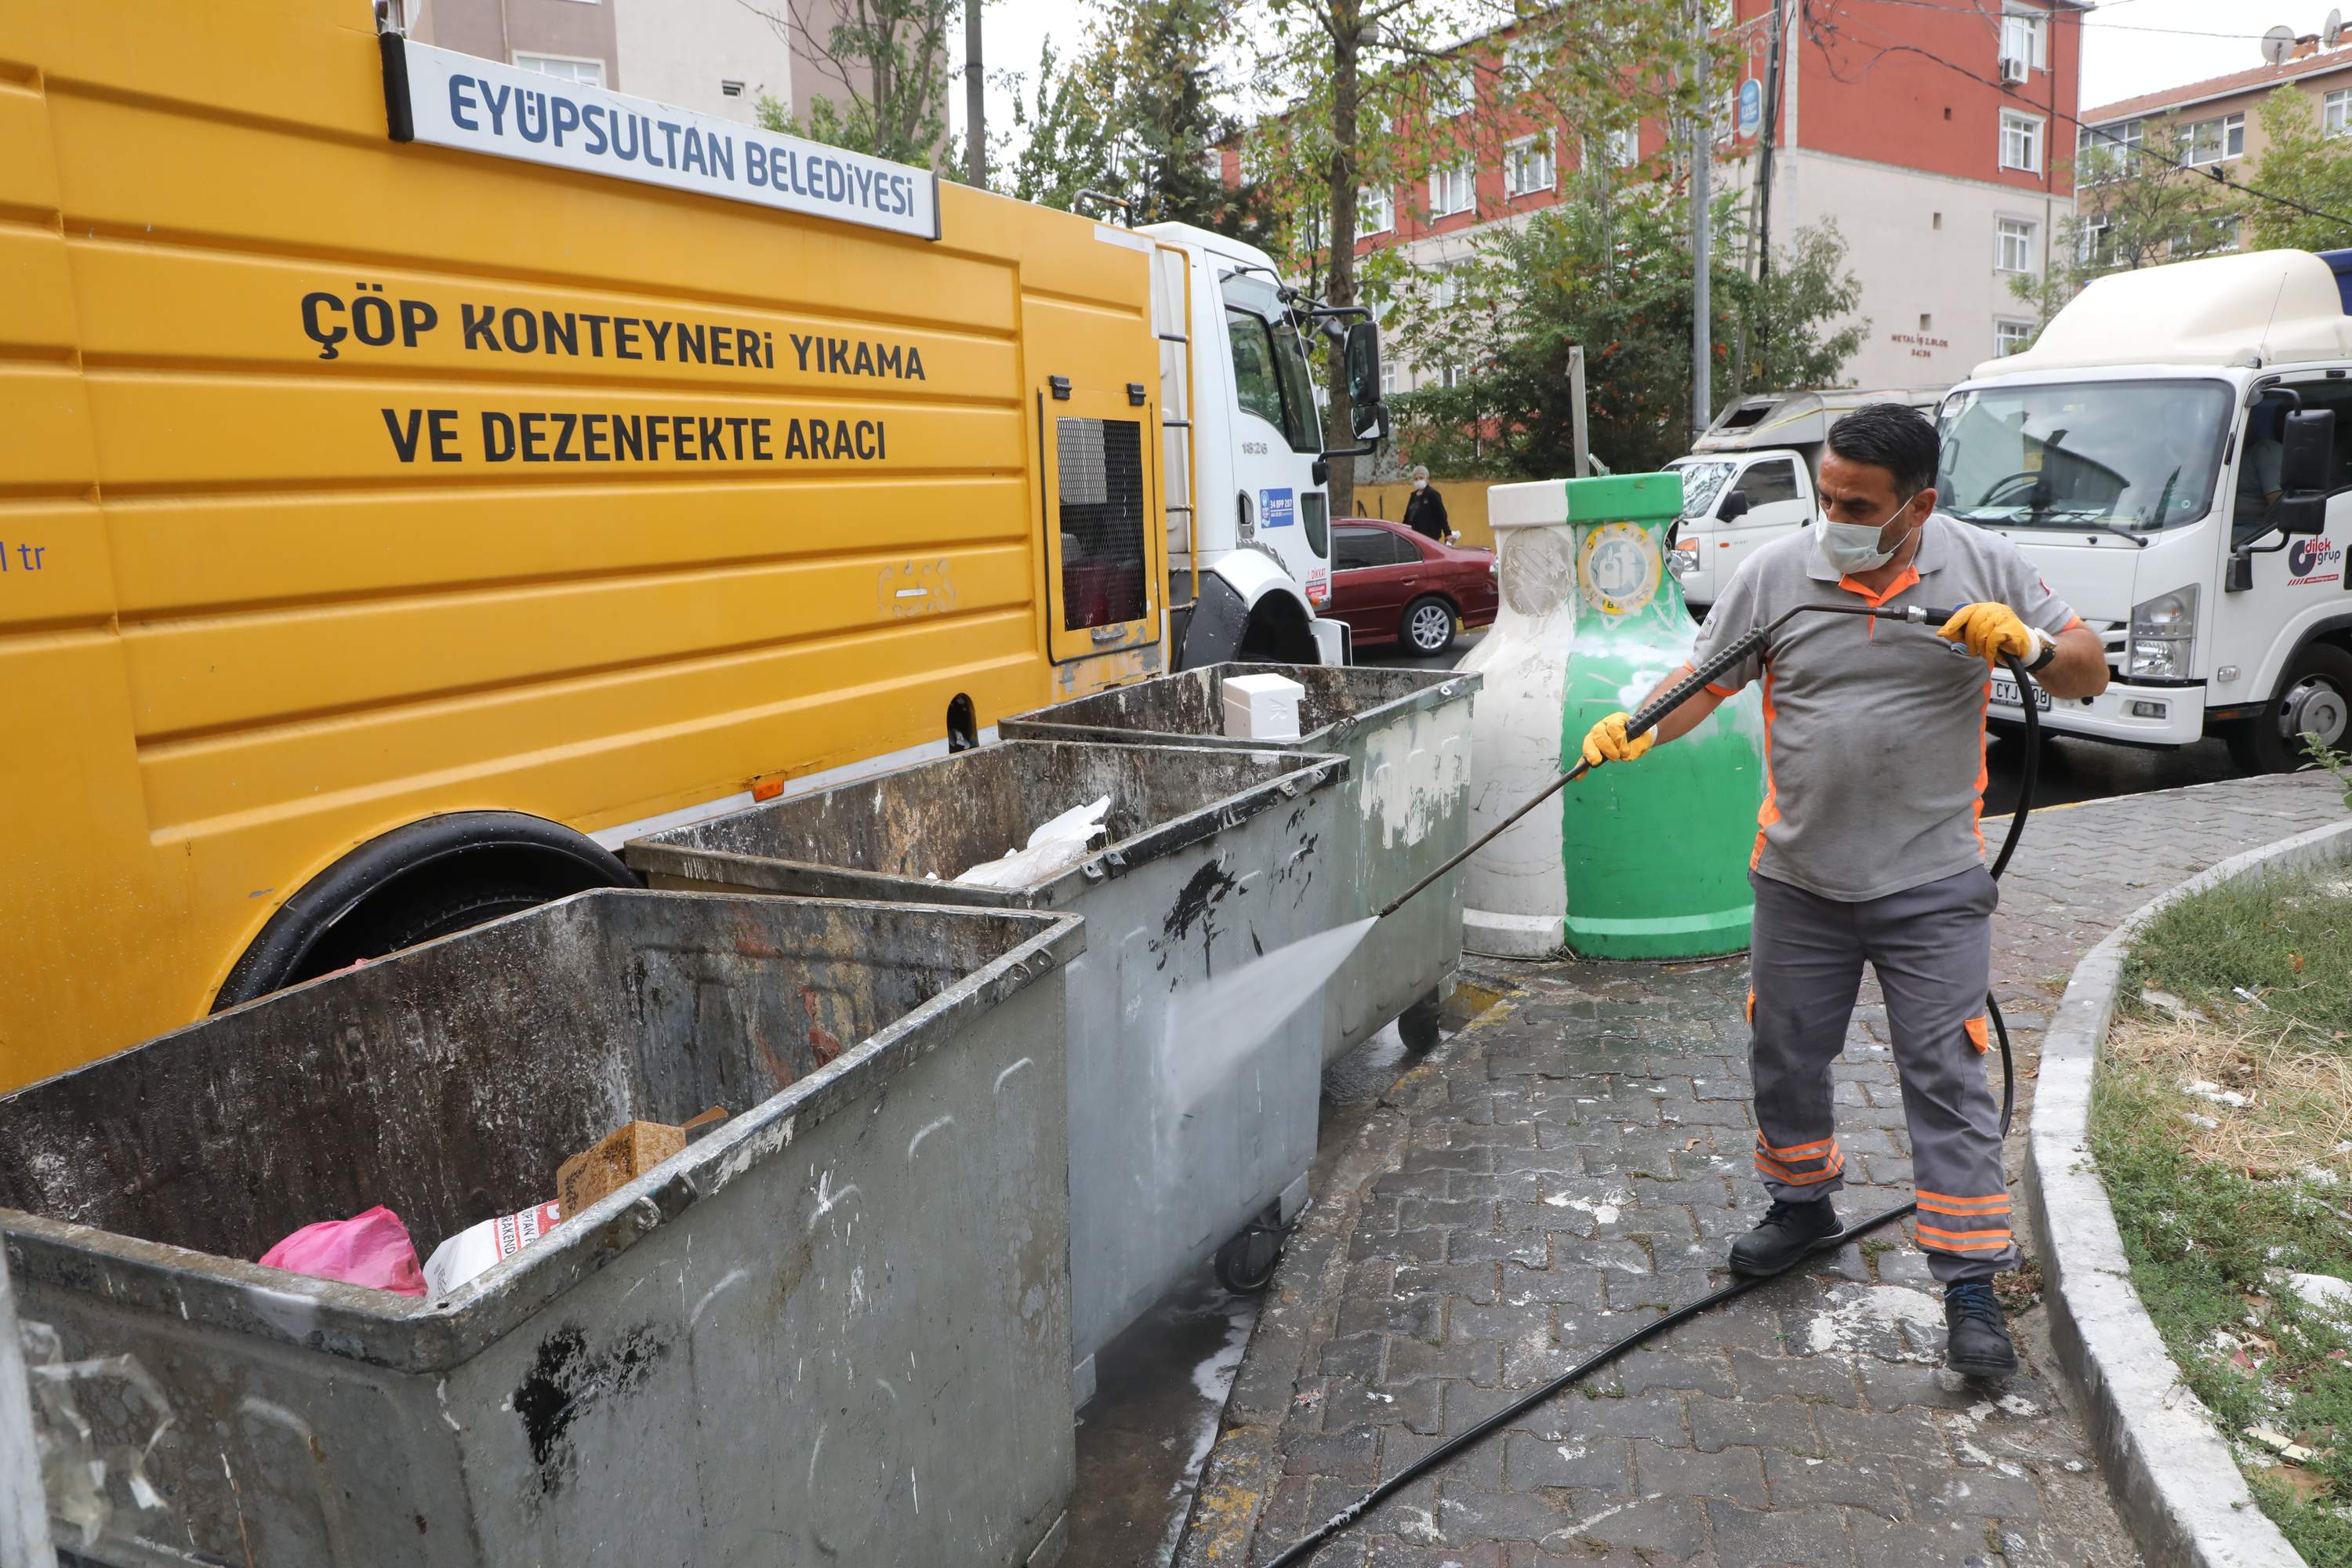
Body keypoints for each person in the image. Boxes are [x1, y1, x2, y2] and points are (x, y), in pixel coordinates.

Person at [1577, 403, 2108, 1379]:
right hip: (1799, 879)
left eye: (1857, 504)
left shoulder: (1984, 565)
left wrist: (2027, 646)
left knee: (1946, 1074)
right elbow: (1709, 677)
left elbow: (2089, 669)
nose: (1835, 517)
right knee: (1784, 1050)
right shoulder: (1777, 573)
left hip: (1931, 880)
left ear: (1920, 505)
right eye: (1826, 495)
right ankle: (1802, 1202)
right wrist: (1639, 722)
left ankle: (1969, 1282)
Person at [1402, 466, 1449, 541]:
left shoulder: (1432, 494)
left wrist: (1447, 533)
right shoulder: (1413, 496)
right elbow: (1407, 516)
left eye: (1421, 478)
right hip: (1413, 536)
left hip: (1429, 537)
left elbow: (1441, 514)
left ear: (1427, 479)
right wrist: (1402, 531)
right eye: (1416, 479)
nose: (1418, 480)